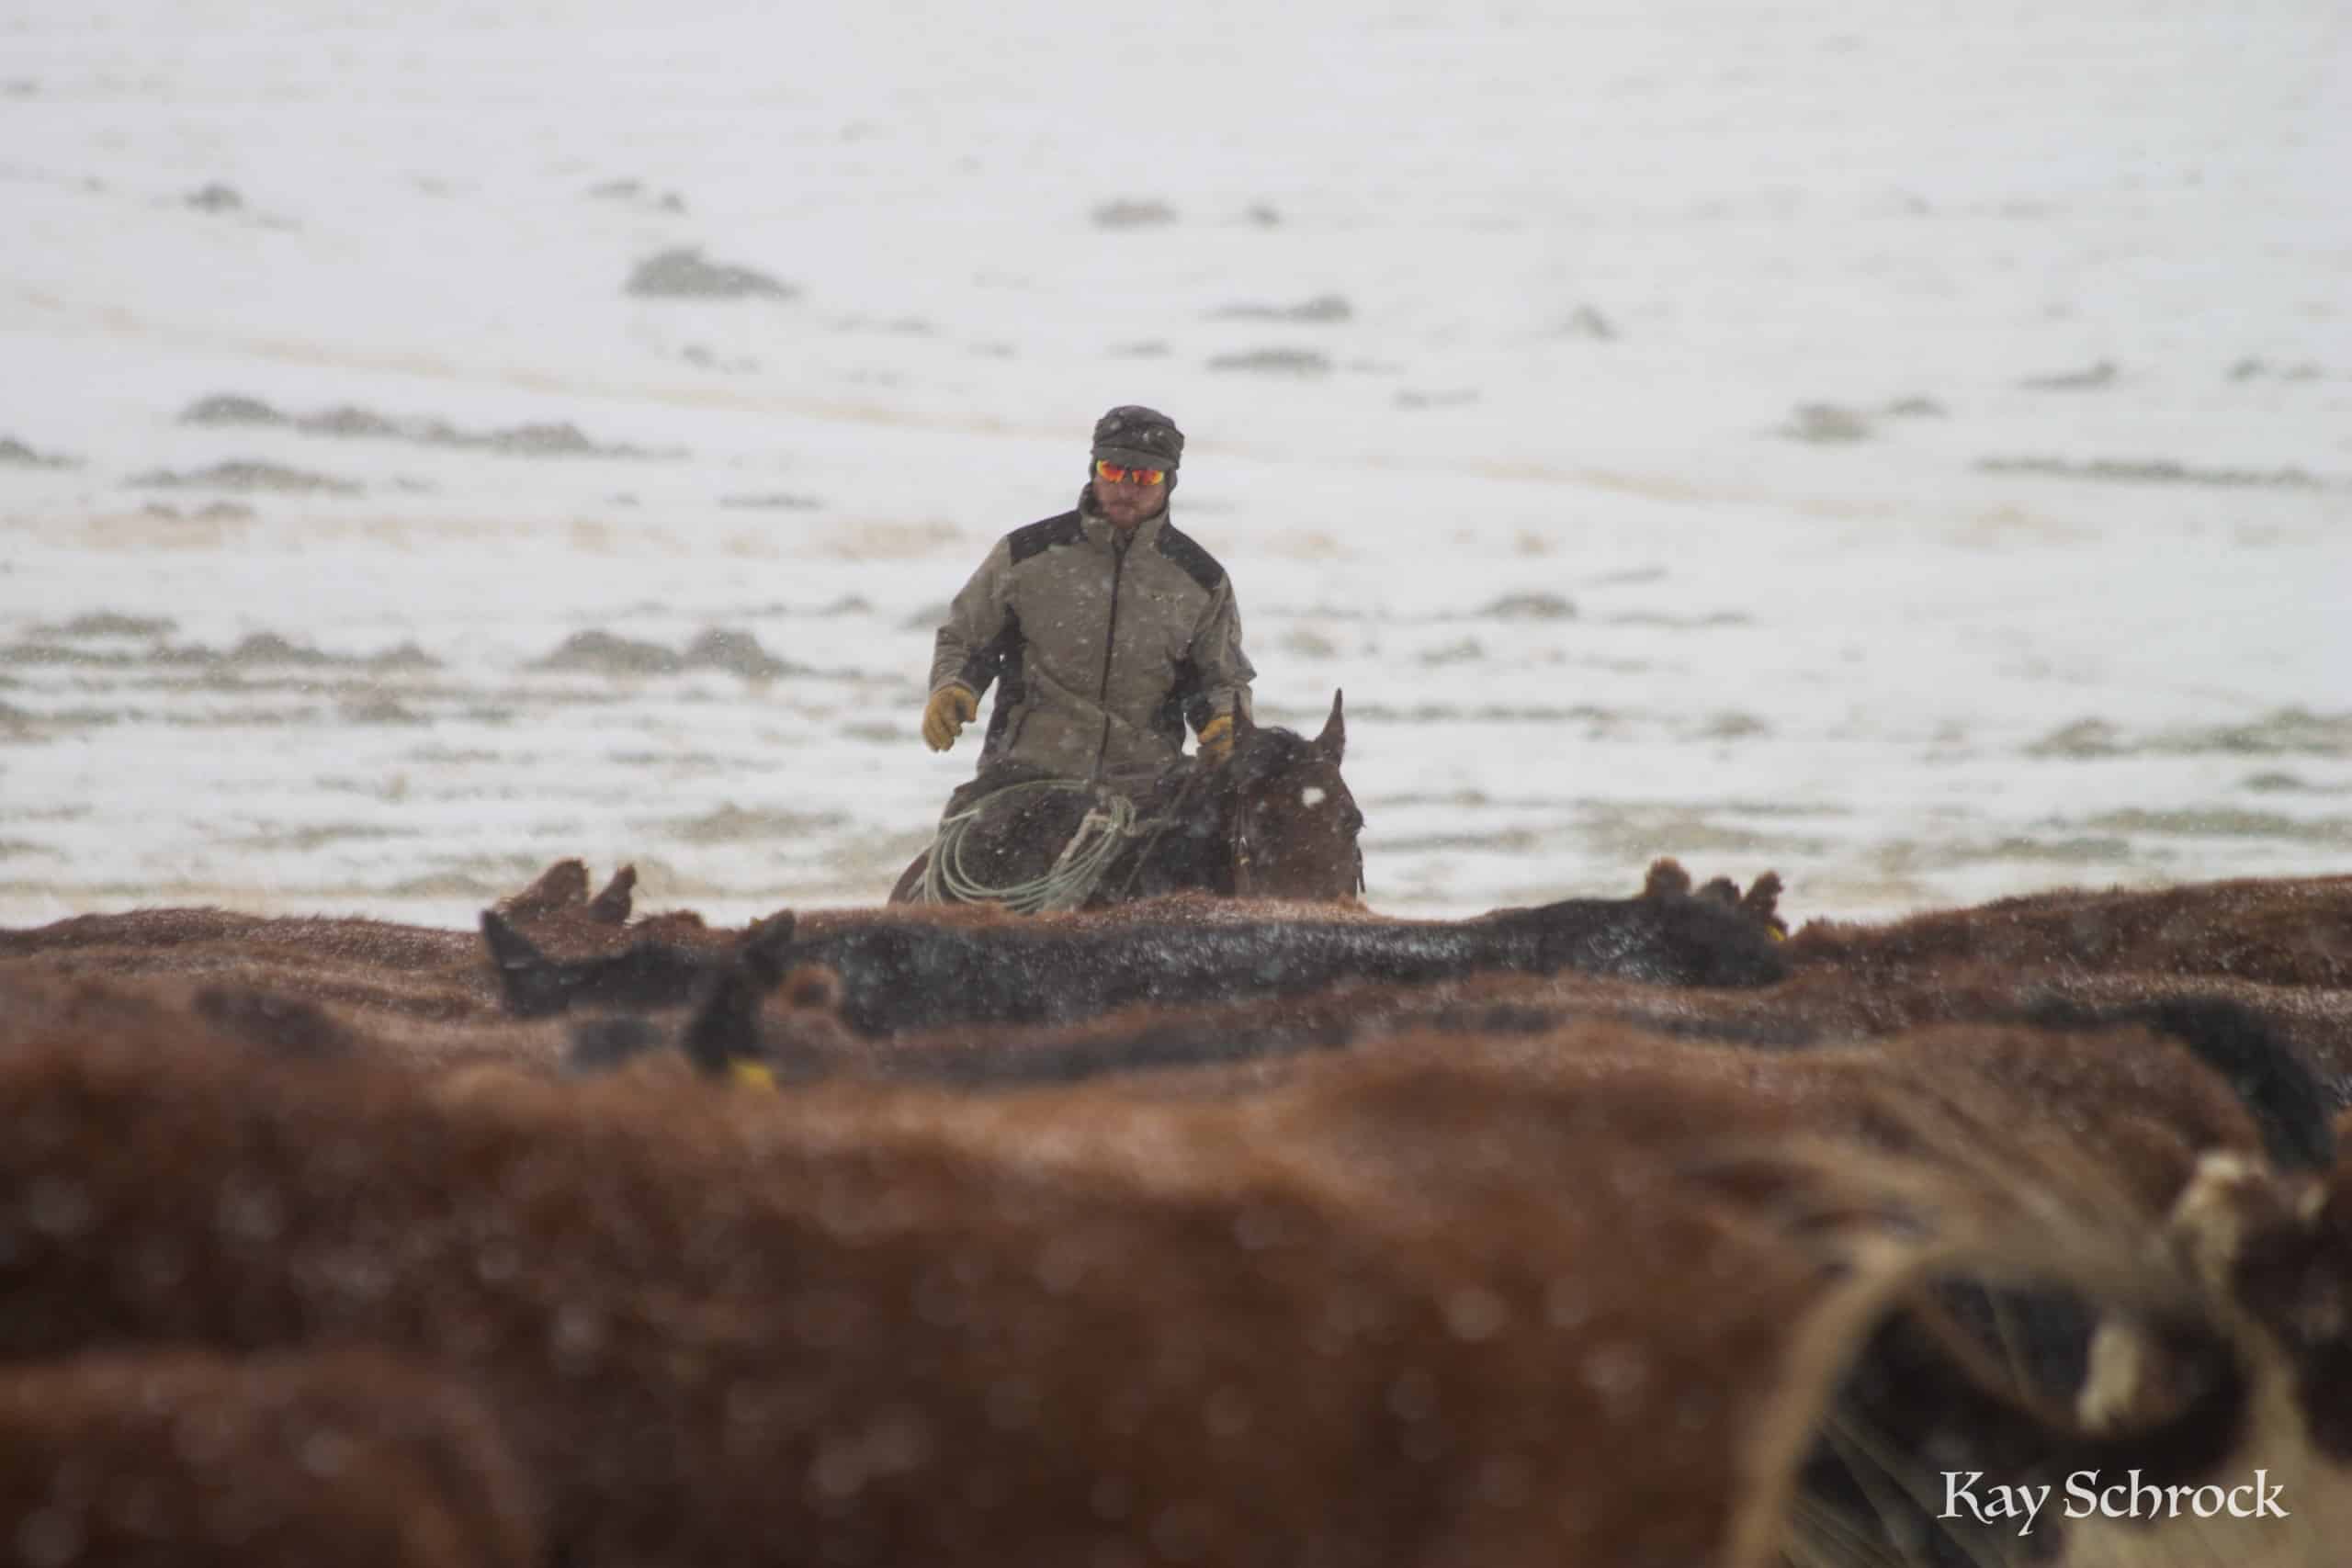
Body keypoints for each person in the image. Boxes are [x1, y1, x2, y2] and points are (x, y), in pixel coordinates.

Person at [921, 405, 1255, 794]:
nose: (1126, 490)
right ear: (1094, 470)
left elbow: (1222, 679)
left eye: (1145, 477)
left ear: (1169, 483)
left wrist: (1227, 720)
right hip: (1025, 778)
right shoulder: (1026, 555)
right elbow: (965, 638)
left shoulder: (1201, 579)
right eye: (1113, 472)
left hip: (1148, 790)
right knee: (959, 848)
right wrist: (952, 685)